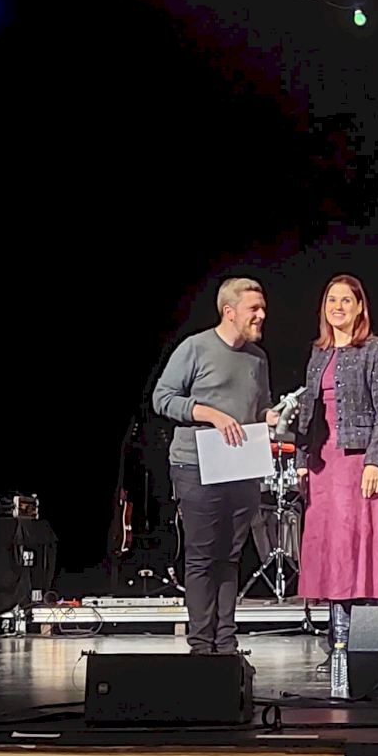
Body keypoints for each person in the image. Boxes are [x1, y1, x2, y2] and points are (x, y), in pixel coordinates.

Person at [153, 277, 279, 655]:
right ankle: (201, 647)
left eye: (263, 308)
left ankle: (225, 645)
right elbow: (162, 398)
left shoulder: (258, 358)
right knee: (202, 556)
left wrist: (272, 416)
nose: (261, 315)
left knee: (230, 556)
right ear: (229, 312)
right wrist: (210, 414)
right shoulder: (196, 348)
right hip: (196, 464)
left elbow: (259, 406)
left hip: (241, 465)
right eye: (253, 308)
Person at [295, 274, 378, 695]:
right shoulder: (318, 353)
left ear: (360, 307)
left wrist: (375, 459)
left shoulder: (376, 349)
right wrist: (301, 461)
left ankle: (357, 644)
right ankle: (335, 643)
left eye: (345, 300)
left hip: (358, 461)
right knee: (330, 552)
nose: (337, 307)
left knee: (355, 552)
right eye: (331, 300)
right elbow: (308, 412)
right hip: (323, 465)